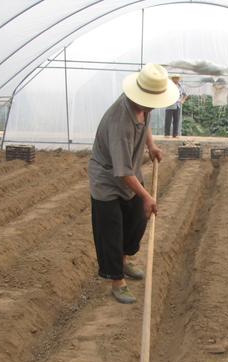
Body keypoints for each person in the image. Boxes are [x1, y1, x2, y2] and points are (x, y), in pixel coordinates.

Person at [88, 63, 179, 304]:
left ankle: (125, 262)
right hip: (109, 178)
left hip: (129, 171)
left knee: (137, 217)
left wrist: (151, 145)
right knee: (112, 228)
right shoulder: (120, 122)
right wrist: (147, 196)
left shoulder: (142, 105)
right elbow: (122, 172)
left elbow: (145, 122)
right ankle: (117, 280)